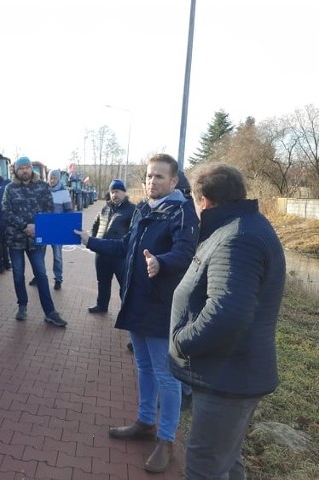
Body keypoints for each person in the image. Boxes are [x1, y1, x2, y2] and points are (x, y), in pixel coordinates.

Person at [76, 153, 199, 473]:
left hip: (160, 306)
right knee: (143, 366)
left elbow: (185, 253)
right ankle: (145, 422)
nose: (151, 182)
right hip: (135, 300)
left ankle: (167, 439)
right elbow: (124, 247)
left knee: (166, 376)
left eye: (159, 177)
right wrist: (92, 241)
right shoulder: (144, 209)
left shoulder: (182, 212)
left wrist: (161, 262)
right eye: (148, 176)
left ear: (173, 182)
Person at [169, 163, 285, 479]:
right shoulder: (240, 226)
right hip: (232, 373)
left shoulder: (237, 238)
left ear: (204, 201)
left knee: (204, 466)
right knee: (227, 460)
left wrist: (181, 342)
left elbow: (227, 313)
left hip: (227, 379)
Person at [3, 156, 67, 327]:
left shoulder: (42, 186)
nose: (25, 171)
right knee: (18, 275)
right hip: (15, 239)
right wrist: (24, 226)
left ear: (32, 169)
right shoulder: (10, 189)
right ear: (16, 170)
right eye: (21, 168)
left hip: (37, 239)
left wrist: (36, 227)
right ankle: (22, 306)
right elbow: (6, 212)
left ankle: (50, 312)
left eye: (27, 167)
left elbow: (49, 208)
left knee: (41, 274)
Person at [88, 179, 135, 314]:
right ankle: (101, 306)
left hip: (120, 255)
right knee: (102, 282)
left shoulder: (132, 210)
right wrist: (95, 240)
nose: (114, 194)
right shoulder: (105, 208)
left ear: (124, 192)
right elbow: (95, 226)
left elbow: (134, 233)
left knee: (124, 284)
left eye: (117, 191)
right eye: (112, 191)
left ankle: (126, 310)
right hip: (102, 254)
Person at [46, 169, 73, 290]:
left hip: (57, 229)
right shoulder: (44, 191)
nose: (52, 180)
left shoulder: (64, 192)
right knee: (39, 255)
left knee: (57, 255)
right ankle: (39, 276)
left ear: (58, 179)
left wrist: (67, 227)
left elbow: (68, 210)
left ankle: (58, 279)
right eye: (50, 178)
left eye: (54, 178)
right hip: (44, 227)